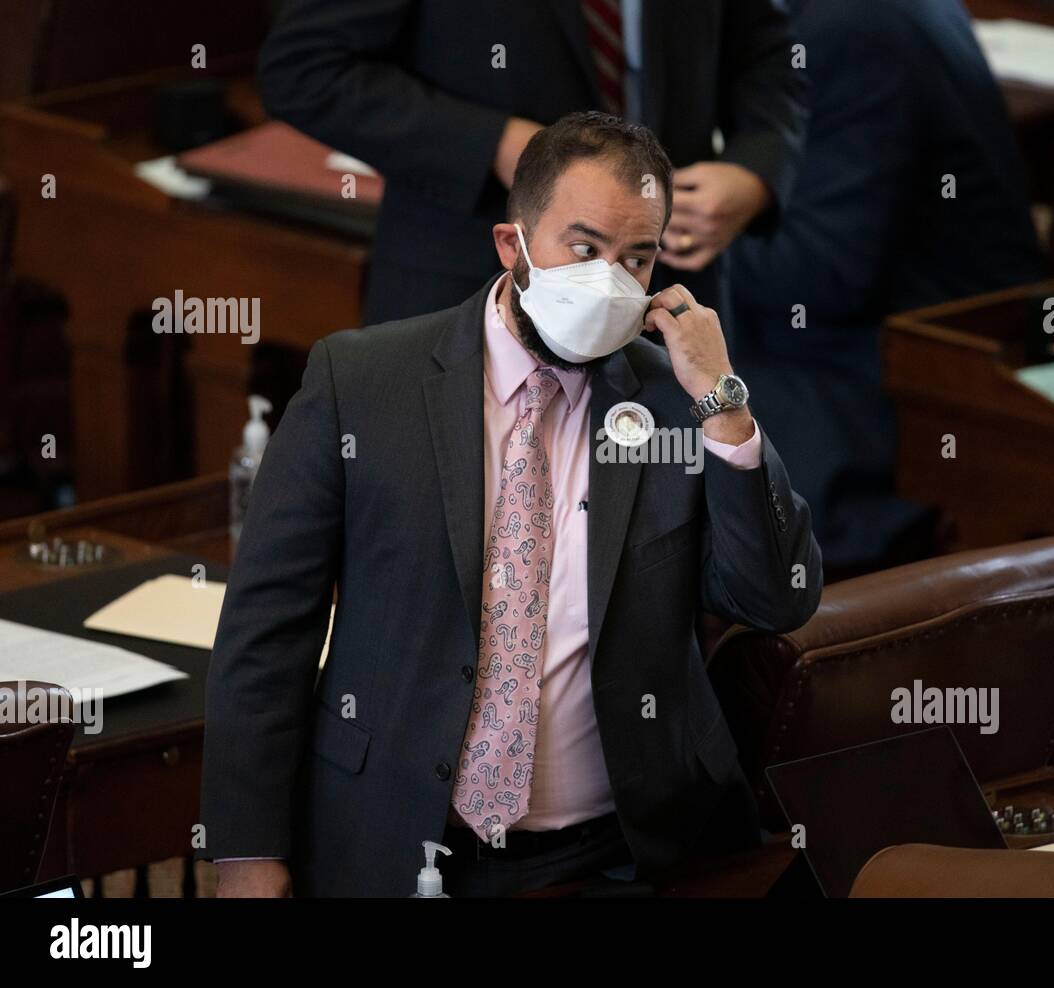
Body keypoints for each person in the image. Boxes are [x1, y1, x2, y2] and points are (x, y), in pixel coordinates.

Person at [200, 112, 822, 897]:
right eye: (586, 248)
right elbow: (266, 631)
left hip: (624, 854)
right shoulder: (360, 383)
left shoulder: (676, 402)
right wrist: (248, 852)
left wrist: (726, 410)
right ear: (512, 245)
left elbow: (776, 597)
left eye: (638, 257)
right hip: (396, 843)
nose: (612, 280)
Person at [728, 0, 1045, 572]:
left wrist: (644, 231)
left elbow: (814, 279)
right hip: (852, 334)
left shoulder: (857, 29)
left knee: (631, 414)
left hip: (916, 379)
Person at [257, 0, 807, 322]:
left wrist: (755, 170)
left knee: (676, 513)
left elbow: (770, 58)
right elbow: (303, 67)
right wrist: (497, 144)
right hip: (472, 288)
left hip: (668, 288)